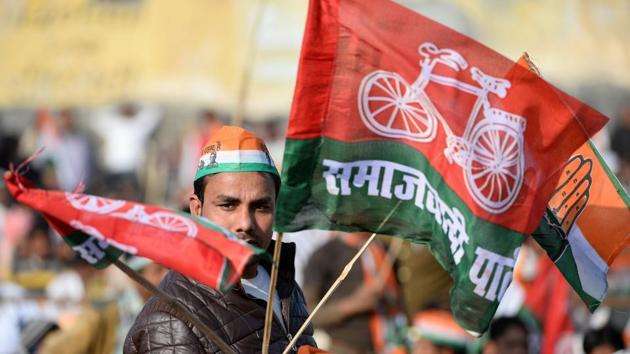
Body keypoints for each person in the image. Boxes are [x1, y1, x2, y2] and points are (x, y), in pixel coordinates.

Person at [124, 126, 316, 353]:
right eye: (228, 205)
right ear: (197, 209)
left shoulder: (282, 281)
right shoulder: (170, 320)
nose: (245, 223)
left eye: (261, 206)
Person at [303, 232, 407, 354]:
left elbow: (400, 301)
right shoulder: (325, 254)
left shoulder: (383, 249)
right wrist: (353, 304)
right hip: (343, 347)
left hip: (389, 345)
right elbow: (308, 316)